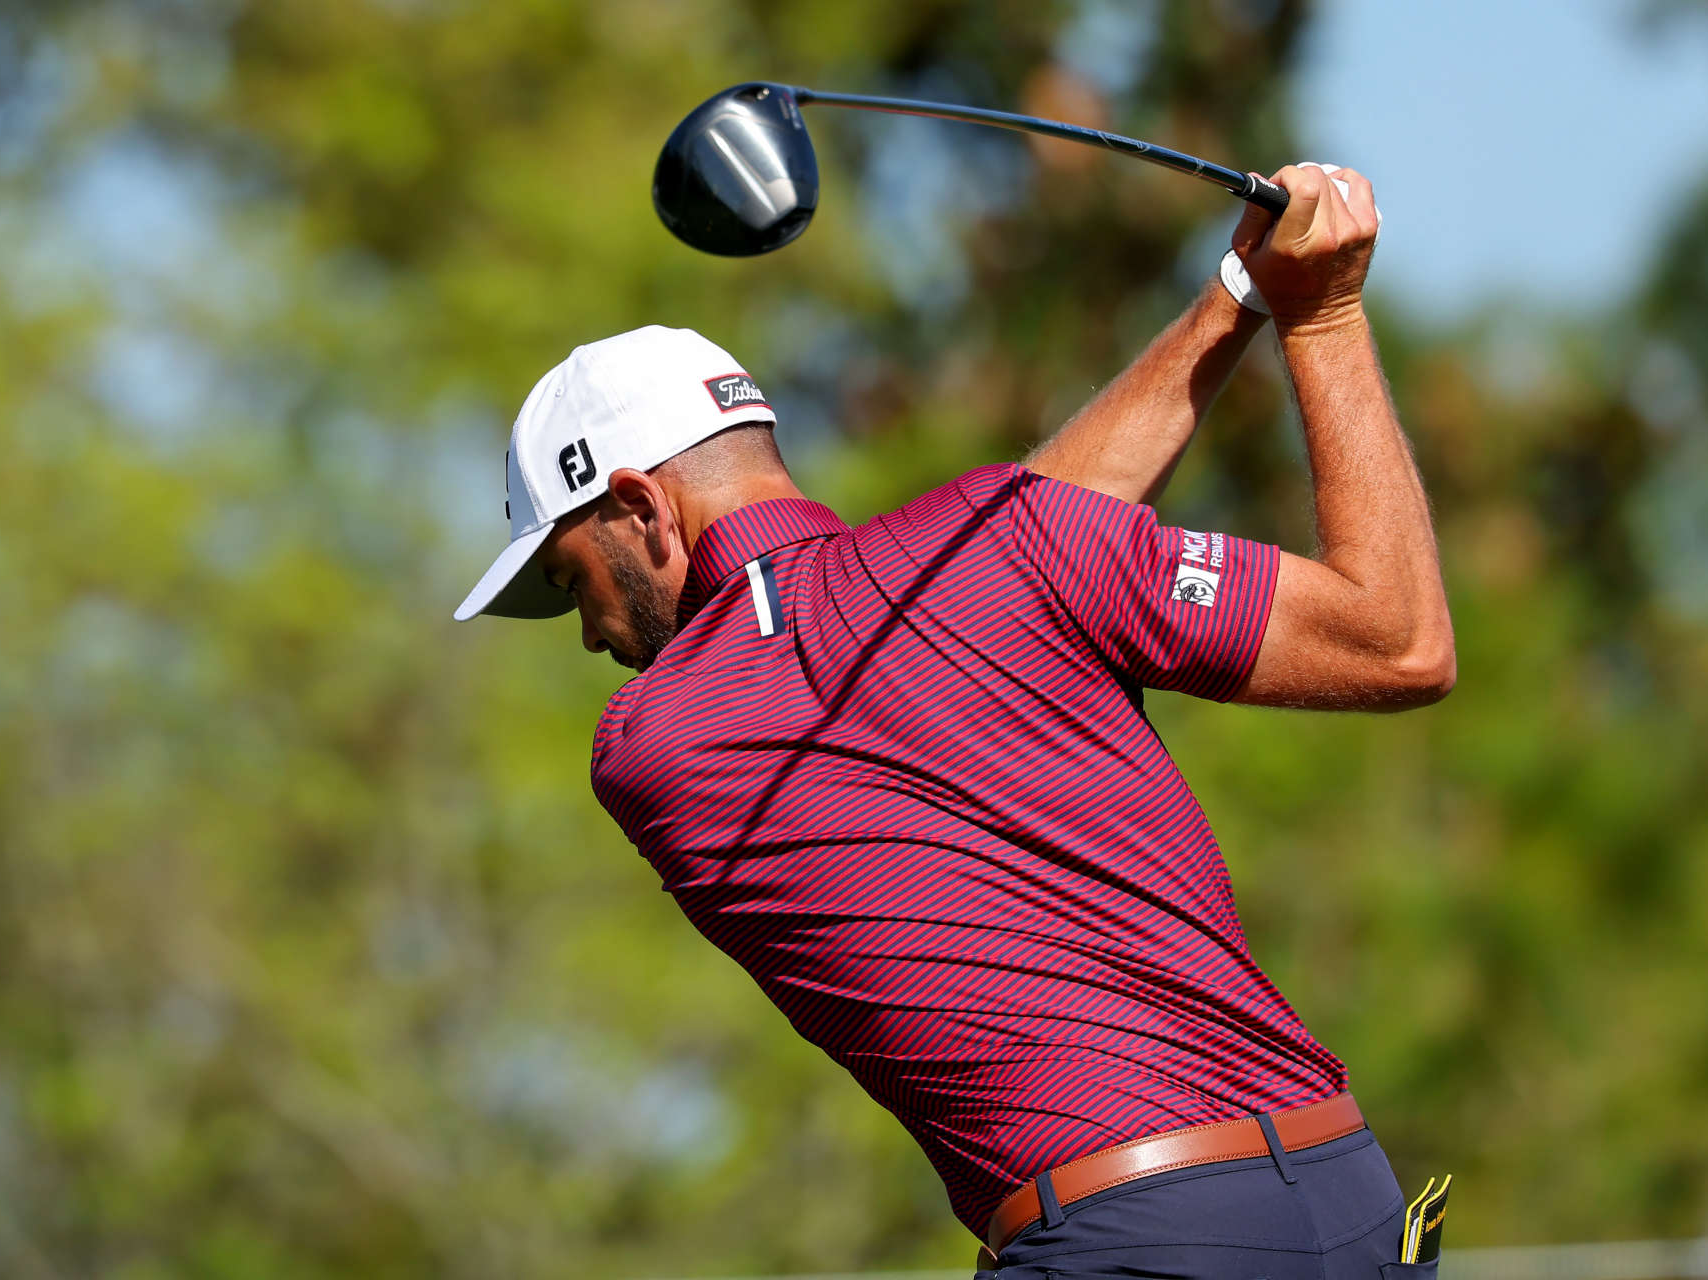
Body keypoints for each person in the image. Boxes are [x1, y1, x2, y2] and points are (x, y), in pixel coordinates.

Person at [455, 162, 1453, 1280]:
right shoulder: (1008, 551)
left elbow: (998, 543)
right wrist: (1291, 305)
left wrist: (1283, 301)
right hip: (1352, 1191)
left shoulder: (654, 748)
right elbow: (1390, 633)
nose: (588, 633)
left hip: (1129, 1245)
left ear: (641, 508)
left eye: (568, 576)